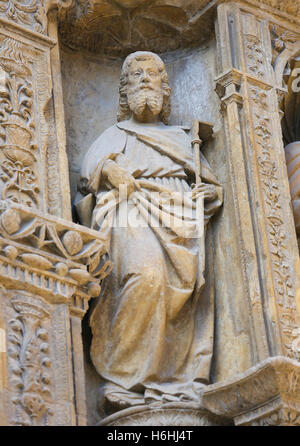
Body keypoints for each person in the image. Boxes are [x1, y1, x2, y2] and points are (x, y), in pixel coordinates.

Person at [76, 51, 222, 412]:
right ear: (124, 91)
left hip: (180, 219)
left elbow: (210, 184)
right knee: (144, 276)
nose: (145, 79)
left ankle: (171, 382)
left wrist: (209, 193)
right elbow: (89, 172)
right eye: (136, 75)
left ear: (165, 88)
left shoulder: (180, 137)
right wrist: (112, 173)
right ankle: (124, 376)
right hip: (130, 210)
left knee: (182, 295)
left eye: (152, 74)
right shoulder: (117, 133)